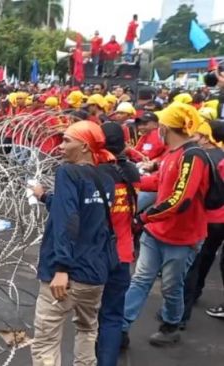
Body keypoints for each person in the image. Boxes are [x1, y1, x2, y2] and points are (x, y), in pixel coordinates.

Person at [121, 102, 209, 348]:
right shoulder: (172, 154)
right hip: (156, 233)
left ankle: (171, 325)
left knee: (171, 286)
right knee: (140, 279)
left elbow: (179, 201)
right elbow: (160, 182)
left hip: (182, 238)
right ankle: (121, 328)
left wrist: (143, 218)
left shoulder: (193, 157)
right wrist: (133, 179)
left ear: (166, 127)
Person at [30, 121, 116, 366]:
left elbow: (69, 219)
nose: (60, 146)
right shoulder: (106, 177)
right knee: (88, 331)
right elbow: (84, 211)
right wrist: (45, 197)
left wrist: (61, 268)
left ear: (85, 146)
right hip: (95, 273)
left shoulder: (67, 172)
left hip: (66, 277)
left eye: (67, 140)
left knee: (46, 343)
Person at [96, 122, 141, 366]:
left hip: (95, 255)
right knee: (112, 315)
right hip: (123, 252)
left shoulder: (96, 173)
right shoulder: (131, 171)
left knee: (89, 315)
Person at [181, 121, 224, 324]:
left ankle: (182, 312)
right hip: (218, 219)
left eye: (198, 134)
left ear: (208, 137)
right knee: (209, 257)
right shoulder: (220, 155)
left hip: (209, 217)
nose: (194, 137)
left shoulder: (203, 157)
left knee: (197, 261)